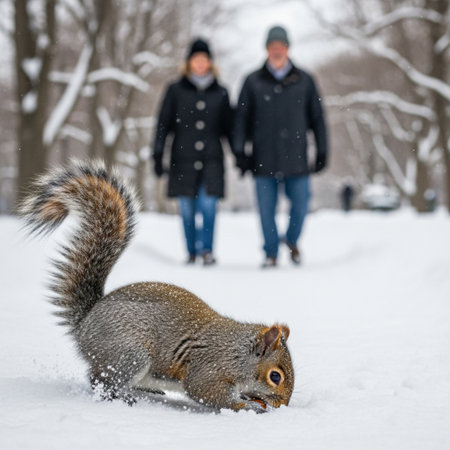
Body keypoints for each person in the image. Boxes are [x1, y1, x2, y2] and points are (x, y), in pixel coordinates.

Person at [233, 26, 328, 267]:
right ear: (267, 49)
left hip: (296, 158)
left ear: (287, 48)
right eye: (272, 46)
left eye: (281, 46)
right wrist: (239, 152)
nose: (277, 50)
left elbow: (317, 118)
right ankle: (271, 252)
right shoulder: (252, 81)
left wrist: (322, 149)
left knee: (301, 204)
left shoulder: (305, 80)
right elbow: (241, 119)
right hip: (262, 158)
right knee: (266, 211)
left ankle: (293, 241)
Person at [152, 38, 232, 265]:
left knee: (208, 206)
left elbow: (229, 128)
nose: (200, 63)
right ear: (189, 62)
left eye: (204, 59)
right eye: (195, 59)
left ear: (210, 62)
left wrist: (240, 154)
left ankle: (206, 250)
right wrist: (158, 155)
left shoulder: (221, 92)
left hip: (212, 159)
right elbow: (163, 125)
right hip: (182, 158)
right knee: (186, 209)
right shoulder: (175, 90)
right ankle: (191, 251)